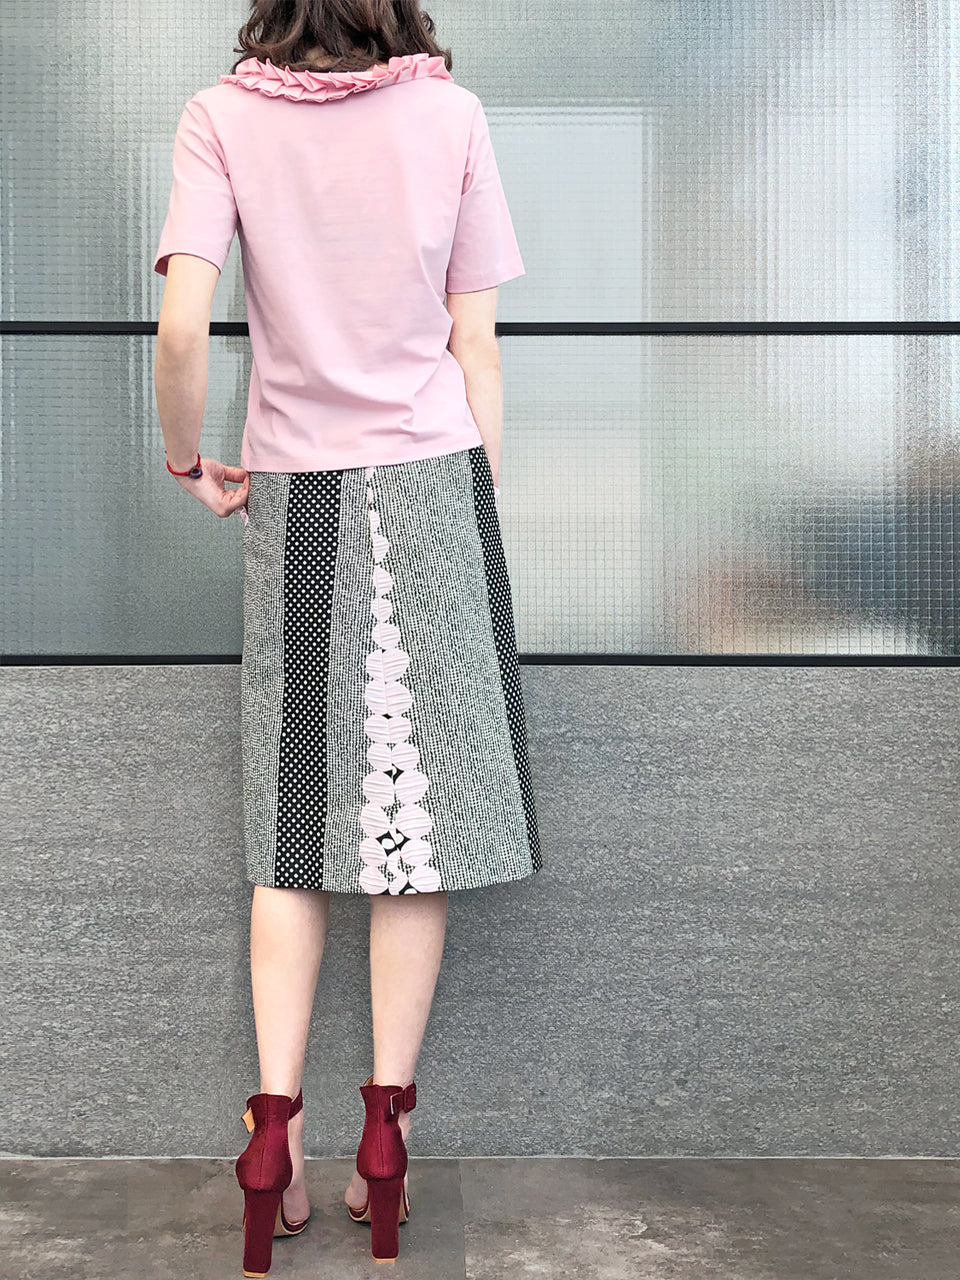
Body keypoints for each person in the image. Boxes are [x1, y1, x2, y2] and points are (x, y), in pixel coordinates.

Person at [152, 2, 543, 1273]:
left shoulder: (223, 117)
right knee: (410, 834)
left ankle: (273, 1139)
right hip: (432, 478)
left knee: (294, 821)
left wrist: (185, 454)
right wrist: (470, 503)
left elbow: (182, 325)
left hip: (298, 487)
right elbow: (476, 346)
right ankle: (388, 1137)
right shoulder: (452, 117)